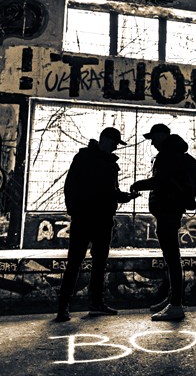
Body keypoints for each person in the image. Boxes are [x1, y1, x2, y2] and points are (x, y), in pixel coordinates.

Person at [55, 127, 138, 322]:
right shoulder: (84, 158)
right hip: (88, 218)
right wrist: (75, 211)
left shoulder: (103, 161)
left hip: (99, 218)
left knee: (95, 262)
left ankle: (87, 304)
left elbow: (109, 191)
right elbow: (71, 186)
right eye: (114, 143)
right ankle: (68, 306)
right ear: (104, 140)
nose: (115, 147)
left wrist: (123, 197)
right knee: (78, 262)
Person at [131, 123, 189, 321]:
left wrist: (139, 184)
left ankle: (176, 305)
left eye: (154, 138)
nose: (152, 142)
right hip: (170, 210)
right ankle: (172, 299)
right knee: (170, 257)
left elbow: (161, 181)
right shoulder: (173, 152)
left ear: (162, 135)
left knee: (172, 257)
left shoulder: (168, 154)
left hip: (168, 211)